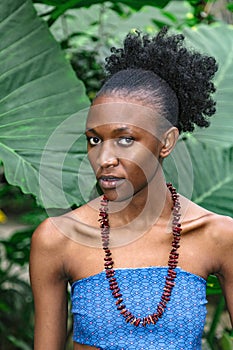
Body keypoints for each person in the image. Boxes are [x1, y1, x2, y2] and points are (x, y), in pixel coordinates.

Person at [30, 27, 233, 350]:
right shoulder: (58, 239)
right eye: (95, 139)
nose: (104, 158)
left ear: (166, 142)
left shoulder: (217, 235)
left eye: (126, 139)